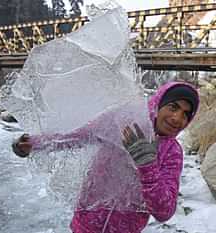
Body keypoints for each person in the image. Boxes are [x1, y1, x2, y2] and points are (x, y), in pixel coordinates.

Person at [12, 81, 199, 233]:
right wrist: (34, 144)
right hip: (85, 224)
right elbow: (78, 135)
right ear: (158, 104)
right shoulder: (124, 120)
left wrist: (147, 165)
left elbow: (164, 211)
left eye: (185, 115)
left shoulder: (172, 152)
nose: (177, 118)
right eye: (173, 107)